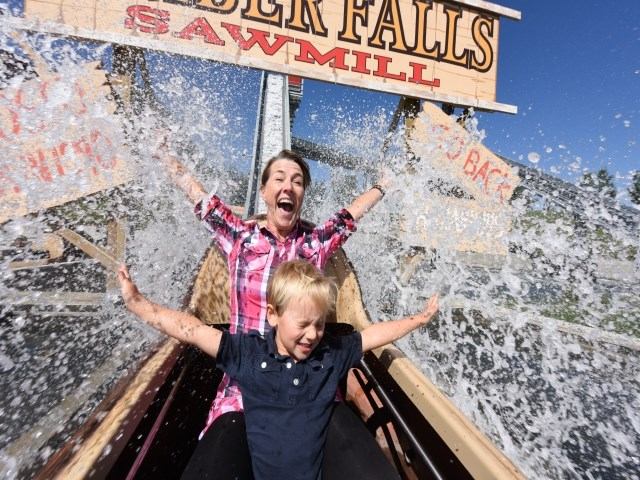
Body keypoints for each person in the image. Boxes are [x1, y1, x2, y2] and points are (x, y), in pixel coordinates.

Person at [118, 260, 439, 480]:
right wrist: (139, 304)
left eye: (319, 324)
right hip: (257, 462)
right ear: (273, 316)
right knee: (230, 423)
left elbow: (371, 335)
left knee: (338, 417)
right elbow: (193, 330)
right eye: (302, 324)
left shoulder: (330, 352)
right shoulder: (248, 351)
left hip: (313, 463)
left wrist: (418, 319)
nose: (313, 334)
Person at [159, 147, 391, 439]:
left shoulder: (313, 244)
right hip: (245, 390)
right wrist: (164, 154)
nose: (288, 186)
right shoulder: (241, 239)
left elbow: (350, 215)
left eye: (297, 181)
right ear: (264, 192)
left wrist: (383, 186)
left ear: (302, 194)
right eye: (279, 178)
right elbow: (201, 200)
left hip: (309, 387)